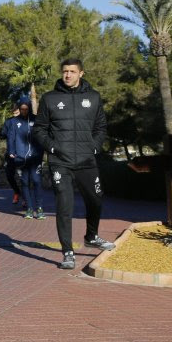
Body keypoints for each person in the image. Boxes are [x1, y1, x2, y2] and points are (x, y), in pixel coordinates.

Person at [33, 58, 114, 270]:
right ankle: (67, 251)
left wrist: (94, 147)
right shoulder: (50, 99)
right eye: (65, 71)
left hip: (87, 160)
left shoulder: (93, 97)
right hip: (61, 162)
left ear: (81, 73)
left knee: (96, 200)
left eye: (72, 71)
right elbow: (39, 129)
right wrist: (53, 148)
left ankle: (92, 236)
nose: (67, 75)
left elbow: (101, 127)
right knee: (64, 206)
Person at [7, 98, 45, 220]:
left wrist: (41, 151)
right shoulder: (14, 122)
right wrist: (11, 151)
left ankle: (39, 208)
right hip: (20, 157)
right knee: (24, 182)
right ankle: (29, 208)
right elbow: (10, 137)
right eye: (22, 109)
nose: (24, 111)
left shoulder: (36, 119)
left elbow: (42, 136)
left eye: (26, 109)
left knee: (36, 180)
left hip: (35, 157)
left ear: (29, 108)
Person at [1, 105, 23, 205]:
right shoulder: (9, 122)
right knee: (9, 175)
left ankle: (26, 198)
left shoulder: (25, 121)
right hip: (11, 153)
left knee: (24, 176)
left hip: (23, 152)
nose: (15, 115)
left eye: (17, 113)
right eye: (13, 113)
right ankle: (17, 192)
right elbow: (3, 134)